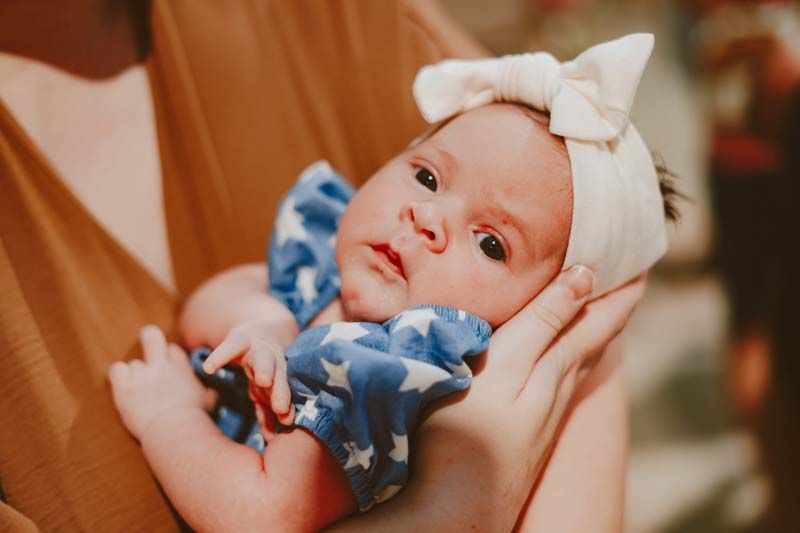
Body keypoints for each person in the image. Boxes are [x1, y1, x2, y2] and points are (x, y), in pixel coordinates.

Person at [0, 2, 644, 531]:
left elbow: (262, 513)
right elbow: (208, 306)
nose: (427, 219)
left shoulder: (391, 370)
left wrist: (171, 420)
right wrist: (263, 317)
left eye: (492, 243)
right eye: (424, 175)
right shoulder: (328, 259)